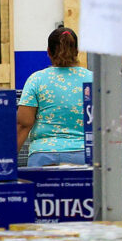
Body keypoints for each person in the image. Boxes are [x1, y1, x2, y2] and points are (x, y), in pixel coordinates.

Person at [16, 27, 93, 166]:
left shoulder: (36, 80)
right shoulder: (92, 80)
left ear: (48, 52)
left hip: (43, 156)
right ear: (77, 51)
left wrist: (6, 161)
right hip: (84, 156)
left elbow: (23, 124)